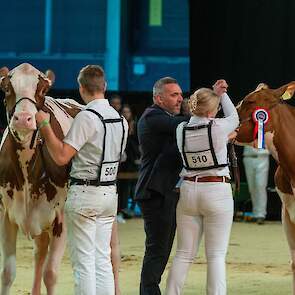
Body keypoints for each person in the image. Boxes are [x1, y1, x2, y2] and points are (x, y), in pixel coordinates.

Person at [35, 65, 128, 295]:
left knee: (84, 263)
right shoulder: (121, 119)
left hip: (85, 194)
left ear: (81, 88)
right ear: (104, 86)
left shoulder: (86, 117)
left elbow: (61, 156)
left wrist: (45, 126)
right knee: (102, 260)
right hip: (109, 194)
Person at [165, 80, 239, 295]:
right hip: (216, 191)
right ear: (211, 112)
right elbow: (234, 118)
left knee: (183, 254)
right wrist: (222, 95)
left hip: (188, 191)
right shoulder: (217, 127)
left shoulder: (181, 128)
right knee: (216, 255)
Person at [135, 77, 189, 295]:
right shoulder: (153, 117)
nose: (180, 99)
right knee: (157, 250)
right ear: (158, 98)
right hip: (154, 192)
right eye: (174, 95)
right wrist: (205, 107)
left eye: (180, 94)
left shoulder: (165, 117)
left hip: (163, 192)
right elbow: (183, 124)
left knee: (162, 249)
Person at [117, 104, 140, 222]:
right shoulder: (118, 125)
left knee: (132, 189)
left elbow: (138, 144)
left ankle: (129, 210)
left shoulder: (135, 127)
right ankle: (120, 211)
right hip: (121, 163)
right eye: (124, 112)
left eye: (128, 112)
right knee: (121, 188)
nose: (126, 114)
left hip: (133, 162)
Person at [243, 145, 270, 224]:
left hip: (262, 157)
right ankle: (255, 214)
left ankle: (261, 215)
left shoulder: (265, 132)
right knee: (252, 187)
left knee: (260, 186)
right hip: (248, 157)